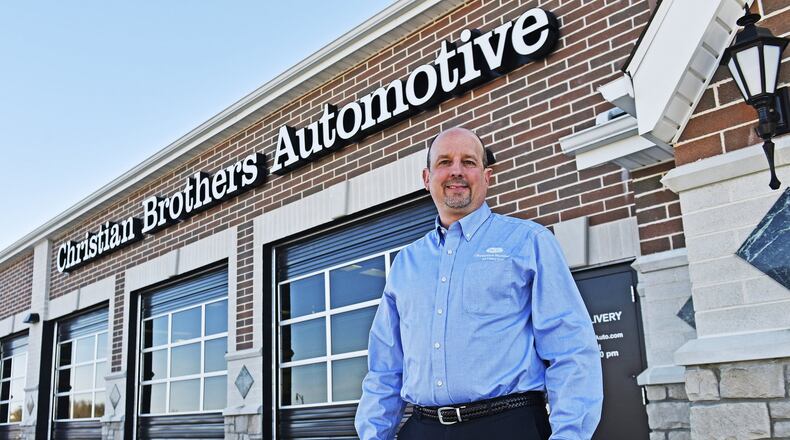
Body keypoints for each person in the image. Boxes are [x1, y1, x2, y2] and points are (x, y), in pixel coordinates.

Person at [354, 126, 603, 440]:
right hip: (422, 428)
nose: (456, 171)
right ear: (426, 178)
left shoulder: (529, 242)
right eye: (444, 162)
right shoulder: (406, 263)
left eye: (468, 162)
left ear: (487, 176)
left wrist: (569, 435)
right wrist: (373, 435)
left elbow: (571, 350)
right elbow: (384, 367)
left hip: (508, 425)